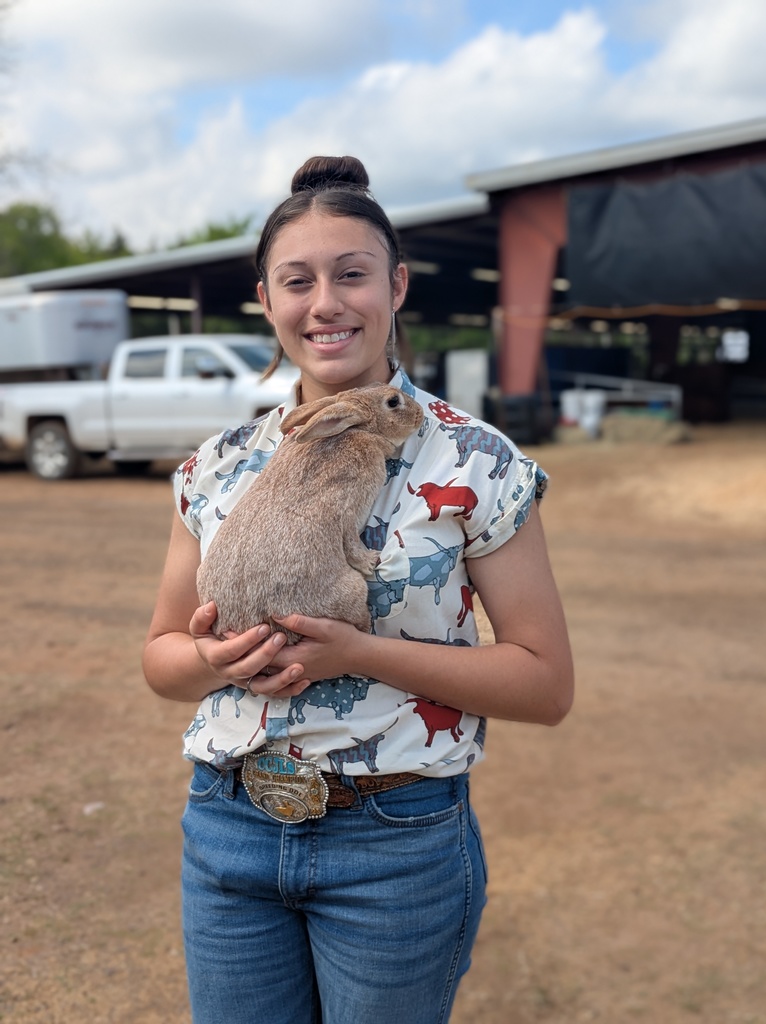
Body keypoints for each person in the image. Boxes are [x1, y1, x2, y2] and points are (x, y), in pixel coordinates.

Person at [143, 154, 574, 1024]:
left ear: (398, 285)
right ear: (265, 300)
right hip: (228, 827)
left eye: (352, 274)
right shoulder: (217, 465)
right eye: (295, 281)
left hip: (395, 842)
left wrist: (359, 653)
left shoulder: (476, 461)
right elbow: (161, 660)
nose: (324, 303)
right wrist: (215, 659)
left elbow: (543, 683)